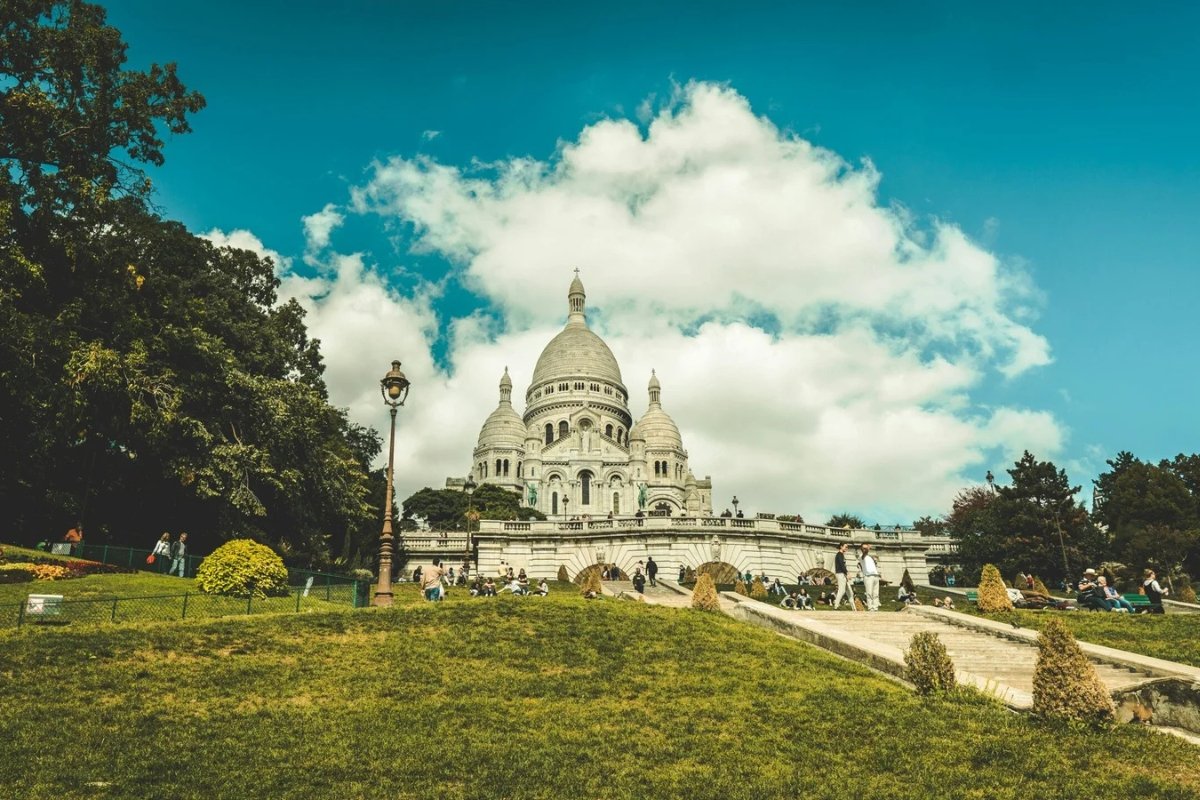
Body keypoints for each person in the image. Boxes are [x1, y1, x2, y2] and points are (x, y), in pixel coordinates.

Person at [833, 543, 855, 610]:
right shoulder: (839, 555)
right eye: (845, 547)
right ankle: (836, 605)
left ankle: (854, 608)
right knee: (842, 591)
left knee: (850, 592)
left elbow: (843, 566)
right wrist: (847, 573)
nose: (846, 548)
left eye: (847, 547)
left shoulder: (841, 555)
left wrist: (846, 574)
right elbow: (842, 566)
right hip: (840, 574)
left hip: (843, 574)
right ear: (841, 547)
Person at [859, 543, 881, 611]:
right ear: (862, 549)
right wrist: (867, 549)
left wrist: (877, 574)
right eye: (864, 548)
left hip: (875, 576)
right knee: (869, 593)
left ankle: (875, 607)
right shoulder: (861, 556)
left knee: (876, 593)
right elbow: (865, 553)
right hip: (868, 576)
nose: (865, 549)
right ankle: (870, 607)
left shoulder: (870, 557)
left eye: (866, 548)